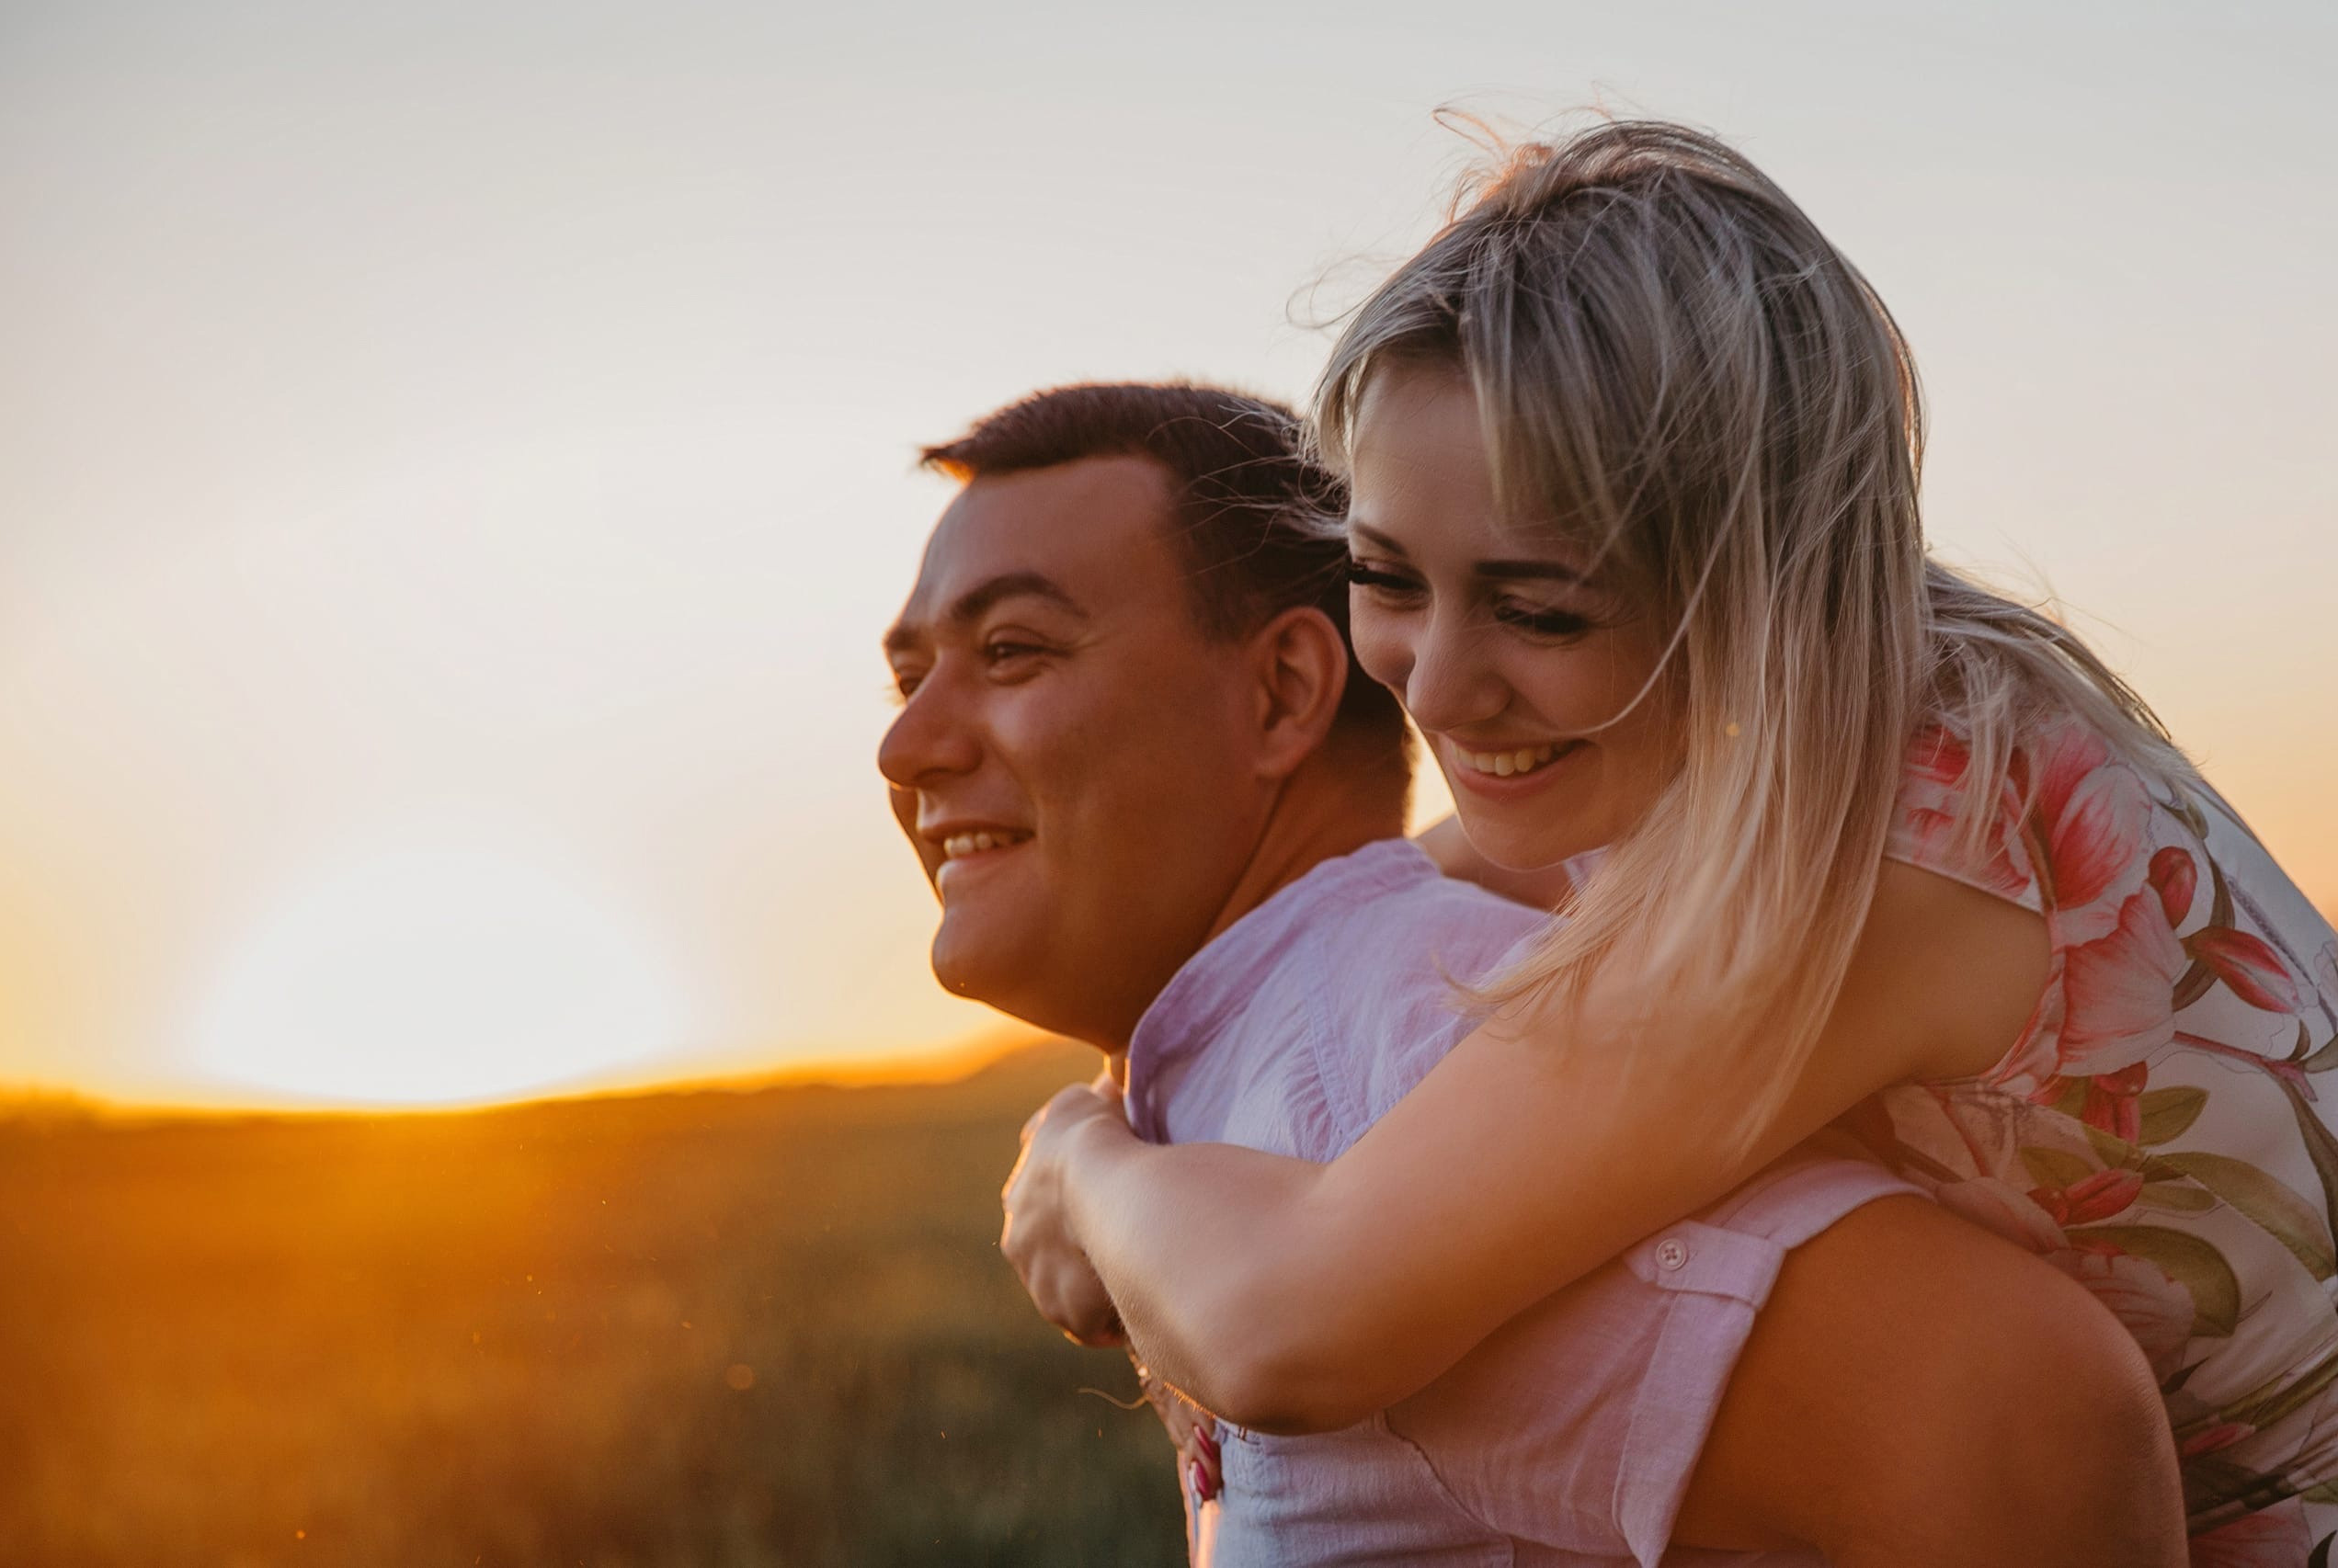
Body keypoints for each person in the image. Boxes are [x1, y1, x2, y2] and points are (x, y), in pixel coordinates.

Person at [997, 121, 2338, 1561]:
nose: (1437, 688)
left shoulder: (1882, 849)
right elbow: (1442, 873)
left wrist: (1085, 1160)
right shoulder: (1848, 687)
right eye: (1385, 579)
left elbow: (1294, 1326)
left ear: (1747, 568)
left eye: (1539, 609)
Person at [882, 381, 2179, 1565]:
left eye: (1013, 653)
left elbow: (2019, 1419)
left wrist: (1079, 1158)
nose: (907, 741)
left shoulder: (1392, 1043)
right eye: (907, 671)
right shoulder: (1292, 1039)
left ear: (1283, 692)